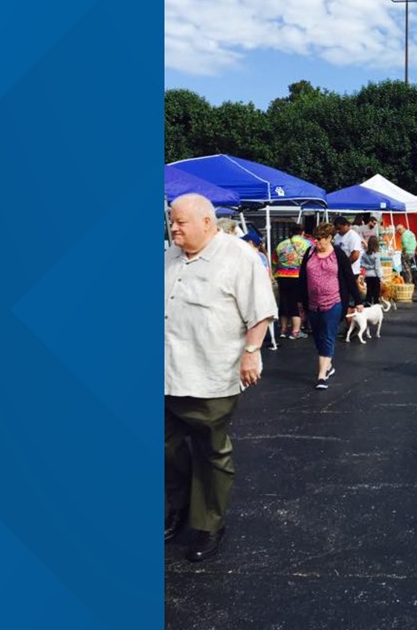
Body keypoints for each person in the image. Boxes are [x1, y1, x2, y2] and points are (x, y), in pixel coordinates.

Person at [165, 194, 277, 562]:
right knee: (167, 449)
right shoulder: (168, 258)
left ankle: (209, 523)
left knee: (212, 452)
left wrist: (252, 352)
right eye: (172, 220)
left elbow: (260, 311)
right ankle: (177, 509)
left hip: (211, 375)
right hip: (166, 376)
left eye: (181, 221)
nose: (174, 227)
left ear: (208, 222)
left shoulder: (238, 256)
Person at [299, 223, 362, 390]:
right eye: (315, 239)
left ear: (329, 238)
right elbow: (302, 277)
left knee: (327, 335)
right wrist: (300, 301)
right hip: (313, 303)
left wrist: (358, 300)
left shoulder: (338, 254)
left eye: (320, 239)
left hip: (333, 301)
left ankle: (321, 375)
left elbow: (349, 278)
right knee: (318, 336)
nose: (317, 242)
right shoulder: (310, 252)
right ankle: (328, 364)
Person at [273, 224, 313, 339]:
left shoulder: (281, 244)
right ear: (302, 232)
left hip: (282, 275)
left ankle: (283, 330)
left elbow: (275, 260)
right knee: (296, 303)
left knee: (284, 302)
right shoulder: (307, 244)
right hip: (298, 275)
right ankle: (296, 331)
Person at [360, 235, 384, 306]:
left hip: (367, 275)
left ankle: (368, 303)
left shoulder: (365, 254)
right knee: (376, 291)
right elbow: (377, 267)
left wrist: (368, 267)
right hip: (375, 275)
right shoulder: (376, 254)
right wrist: (380, 277)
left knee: (369, 290)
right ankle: (376, 304)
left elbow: (361, 264)